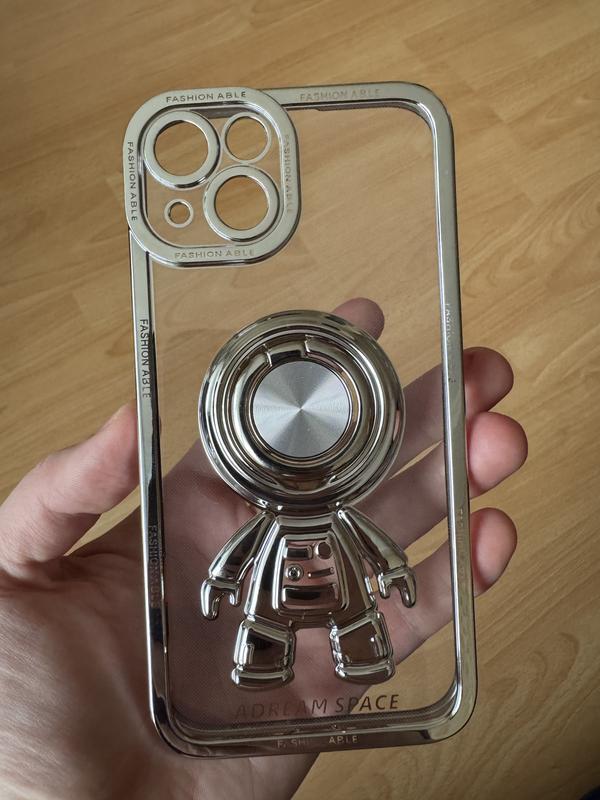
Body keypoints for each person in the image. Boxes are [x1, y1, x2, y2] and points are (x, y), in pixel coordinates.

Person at [0, 299, 527, 799]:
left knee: (354, 623)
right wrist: (220, 581)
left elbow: (369, 541)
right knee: (267, 631)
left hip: (340, 593)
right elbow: (244, 548)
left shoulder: (336, 514)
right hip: (279, 597)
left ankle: (359, 653)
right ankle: (268, 662)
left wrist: (392, 570)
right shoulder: (276, 521)